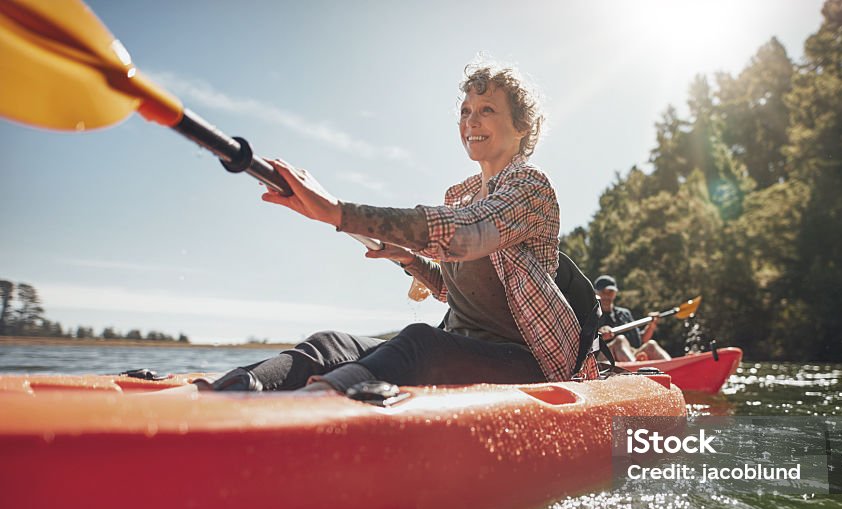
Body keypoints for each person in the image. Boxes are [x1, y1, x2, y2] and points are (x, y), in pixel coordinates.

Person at [198, 64, 598, 394]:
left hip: (525, 361)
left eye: (487, 110)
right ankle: (234, 391)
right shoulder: (459, 195)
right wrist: (412, 261)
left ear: (522, 126)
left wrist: (338, 212)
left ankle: (316, 402)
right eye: (465, 111)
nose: (471, 121)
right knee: (329, 342)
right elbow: (457, 291)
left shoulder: (530, 187)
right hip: (459, 345)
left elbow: (467, 234)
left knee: (419, 341)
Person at [594, 275, 671, 363]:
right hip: (603, 359)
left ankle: (674, 366)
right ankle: (635, 368)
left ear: (615, 293)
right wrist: (599, 335)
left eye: (610, 292)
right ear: (596, 293)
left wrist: (651, 325)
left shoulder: (624, 314)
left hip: (630, 356)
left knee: (651, 345)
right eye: (603, 292)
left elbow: (641, 339)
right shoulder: (591, 316)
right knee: (620, 340)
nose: (607, 296)